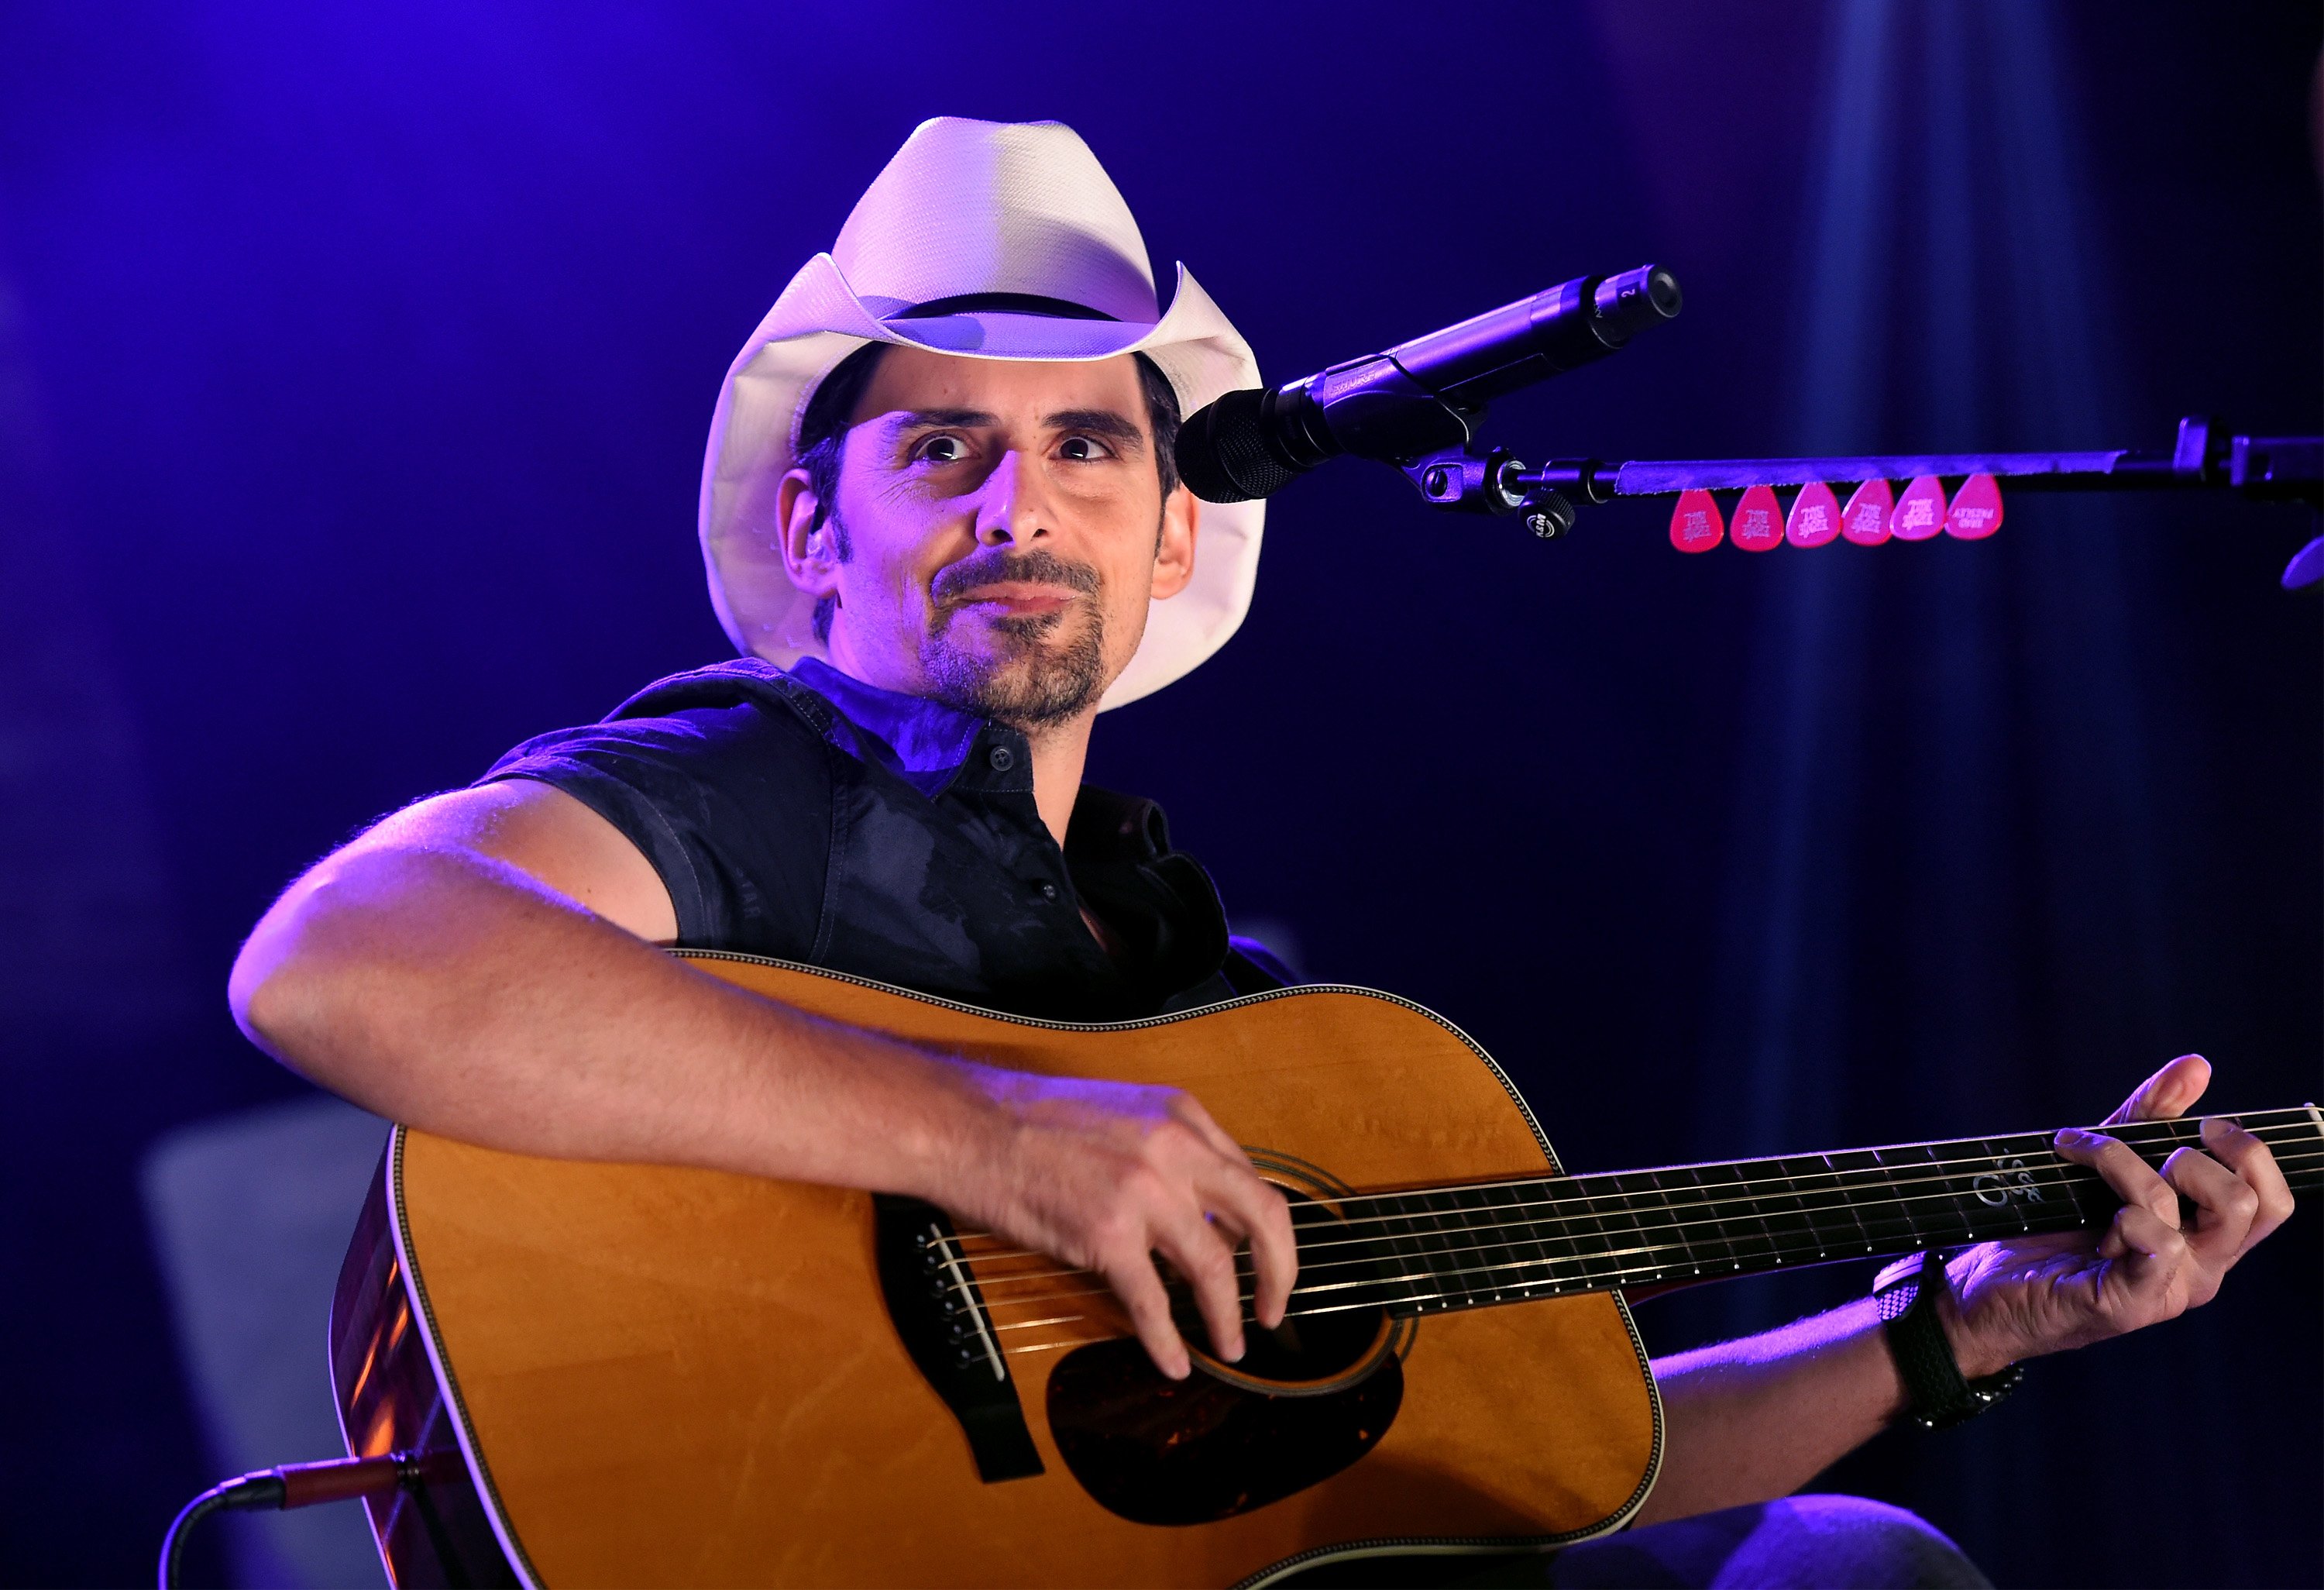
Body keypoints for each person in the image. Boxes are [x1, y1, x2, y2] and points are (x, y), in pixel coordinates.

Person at [228, 119, 2295, 1588]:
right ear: (811, 530)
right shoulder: (774, 774)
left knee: (1848, 1557)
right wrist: (998, 1140)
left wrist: (1964, 1324)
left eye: (1085, 443)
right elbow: (347, 960)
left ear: (1173, 526)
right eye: (939, 443)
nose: (1012, 500)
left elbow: (1550, 1460)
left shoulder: (1205, 988)